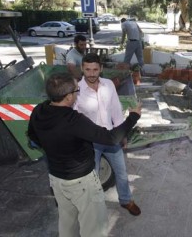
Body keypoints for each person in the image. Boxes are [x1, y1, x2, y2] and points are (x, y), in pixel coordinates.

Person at [27, 72, 141, 237]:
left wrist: (54, 147)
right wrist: (133, 117)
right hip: (81, 183)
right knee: (94, 228)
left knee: (67, 223)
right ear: (67, 97)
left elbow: (33, 136)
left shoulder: (39, 110)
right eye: (76, 91)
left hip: (57, 180)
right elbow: (110, 138)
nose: (77, 94)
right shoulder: (73, 120)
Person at [74, 53, 141, 216]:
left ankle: (126, 200)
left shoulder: (108, 84)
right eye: (87, 69)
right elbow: (74, 119)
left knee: (122, 173)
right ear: (82, 69)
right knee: (93, 177)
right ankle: (93, 208)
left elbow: (116, 111)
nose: (91, 73)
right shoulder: (76, 89)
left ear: (101, 69)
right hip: (90, 142)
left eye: (95, 69)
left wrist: (123, 133)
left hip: (111, 137)